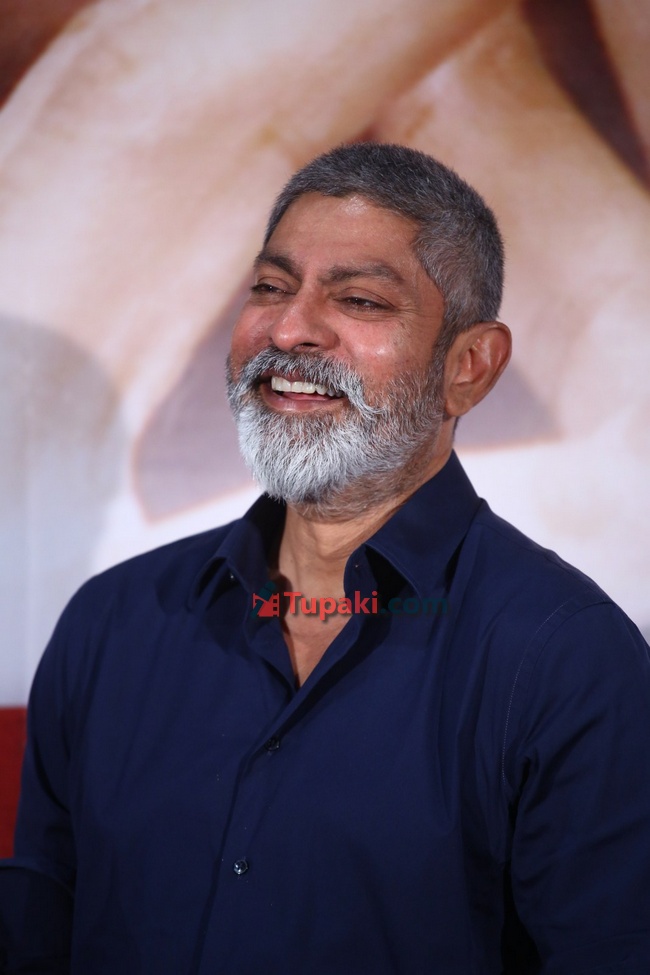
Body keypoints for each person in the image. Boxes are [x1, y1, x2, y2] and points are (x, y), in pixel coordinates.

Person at [2, 142, 650, 974]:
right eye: (271, 287)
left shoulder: (568, 657)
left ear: (469, 367)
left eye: (359, 299)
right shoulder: (113, 622)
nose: (289, 329)